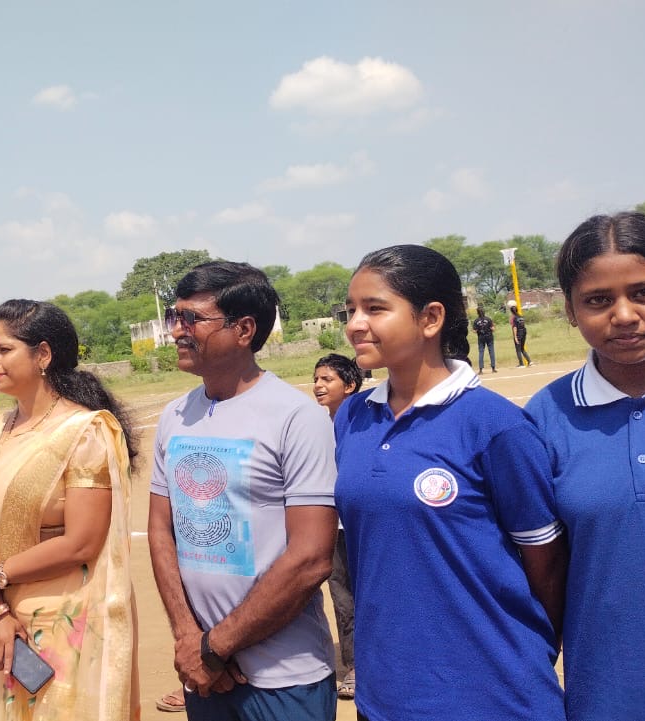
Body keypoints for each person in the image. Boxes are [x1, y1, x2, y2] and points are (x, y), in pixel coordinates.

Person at [335, 245, 566, 721]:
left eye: (375, 308)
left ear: (431, 318)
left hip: (490, 693)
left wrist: (525, 651)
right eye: (350, 310)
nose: (355, 324)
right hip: (385, 694)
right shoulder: (353, 417)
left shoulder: (495, 425)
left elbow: (546, 564)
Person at [525, 211, 645, 721]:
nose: (624, 315)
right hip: (606, 695)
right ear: (570, 310)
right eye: (597, 300)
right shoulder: (545, 417)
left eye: (644, 292)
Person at [148, 261, 339, 721]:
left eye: (191, 319)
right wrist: (188, 638)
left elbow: (311, 558)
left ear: (244, 329)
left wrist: (217, 645)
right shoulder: (175, 417)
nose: (176, 331)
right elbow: (160, 530)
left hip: (284, 677)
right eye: (175, 317)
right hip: (203, 672)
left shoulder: (296, 418)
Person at [0, 299, 139, 720]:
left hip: (66, 616)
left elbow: (81, 543)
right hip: (5, 619)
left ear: (43, 354)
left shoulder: (84, 432)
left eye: (5, 349)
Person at [310, 353, 363, 701]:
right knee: (343, 599)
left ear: (350, 385)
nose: (318, 386)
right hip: (335, 527)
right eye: (316, 379)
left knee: (374, 594)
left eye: (326, 379)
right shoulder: (315, 427)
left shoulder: (366, 423)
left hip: (364, 524)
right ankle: (355, 665)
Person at [471, 307, 497, 374]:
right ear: (484, 312)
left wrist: (476, 329)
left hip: (481, 337)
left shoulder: (476, 321)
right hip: (489, 337)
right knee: (491, 351)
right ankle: (493, 368)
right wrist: (493, 327)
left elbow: (474, 331)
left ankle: (480, 370)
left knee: (481, 352)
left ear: (477, 313)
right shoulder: (488, 319)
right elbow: (493, 329)